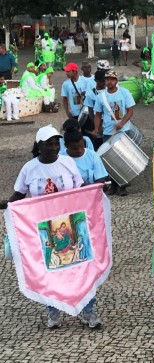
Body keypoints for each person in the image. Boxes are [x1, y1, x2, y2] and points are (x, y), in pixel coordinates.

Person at [0, 125, 105, 329]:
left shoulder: (67, 163)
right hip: (45, 229)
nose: (55, 147)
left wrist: (96, 189)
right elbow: (19, 195)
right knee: (50, 269)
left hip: (71, 224)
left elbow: (80, 188)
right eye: (49, 144)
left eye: (57, 143)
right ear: (39, 146)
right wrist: (6, 205)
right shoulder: (29, 168)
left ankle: (88, 310)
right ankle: (53, 311)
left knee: (81, 266)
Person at [91, 71, 135, 196]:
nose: (109, 81)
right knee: (110, 160)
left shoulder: (124, 92)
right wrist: (96, 128)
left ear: (116, 81)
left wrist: (122, 123)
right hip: (108, 132)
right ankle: (114, 185)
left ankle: (123, 186)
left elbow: (130, 110)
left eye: (112, 79)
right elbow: (98, 115)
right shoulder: (101, 97)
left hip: (123, 130)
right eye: (107, 79)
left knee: (123, 158)